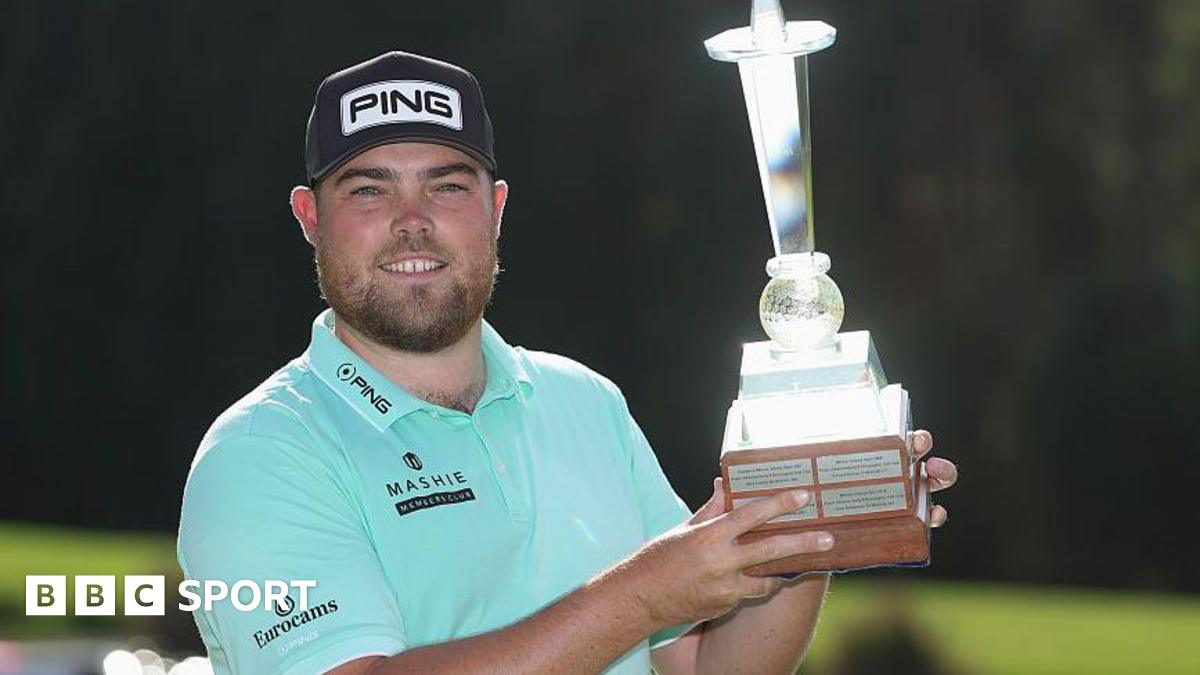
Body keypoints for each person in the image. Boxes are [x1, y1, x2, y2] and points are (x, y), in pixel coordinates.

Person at [177, 51, 958, 675]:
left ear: (496, 209)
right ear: (310, 218)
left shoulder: (584, 402)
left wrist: (804, 521)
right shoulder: (259, 454)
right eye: (369, 191)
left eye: (447, 187)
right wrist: (645, 593)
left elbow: (705, 662)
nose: (412, 222)